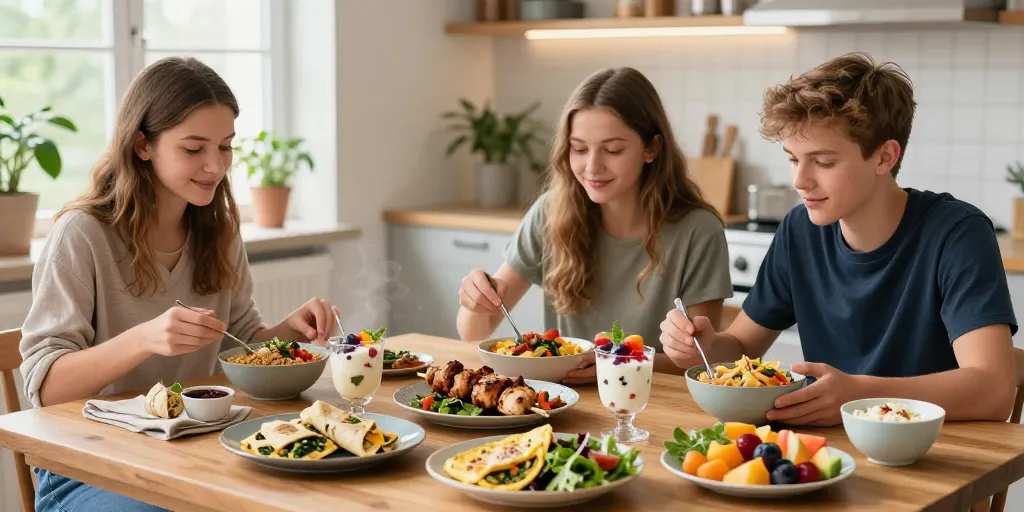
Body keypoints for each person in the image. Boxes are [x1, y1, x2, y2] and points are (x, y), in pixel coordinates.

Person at [20, 57, 340, 512]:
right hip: (89, 465)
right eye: (194, 149)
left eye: (225, 147)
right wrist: (145, 339)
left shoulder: (220, 230)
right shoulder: (82, 234)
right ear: (142, 145)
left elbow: (242, 344)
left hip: (195, 451)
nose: (215, 165)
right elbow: (47, 388)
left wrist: (289, 330)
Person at [660, 52, 1017, 426]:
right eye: (793, 159)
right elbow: (741, 347)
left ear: (884, 157)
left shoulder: (957, 233)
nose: (800, 181)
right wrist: (704, 345)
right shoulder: (800, 230)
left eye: (824, 162)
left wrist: (859, 393)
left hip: (932, 453)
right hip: (823, 449)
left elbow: (993, 390)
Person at [456, 67, 733, 384]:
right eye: (579, 148)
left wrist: (614, 363)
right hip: (561, 404)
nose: (592, 167)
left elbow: (700, 361)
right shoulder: (551, 212)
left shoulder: (698, 231)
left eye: (613, 150)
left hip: (650, 406)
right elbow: (472, 331)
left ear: (651, 149)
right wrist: (477, 298)